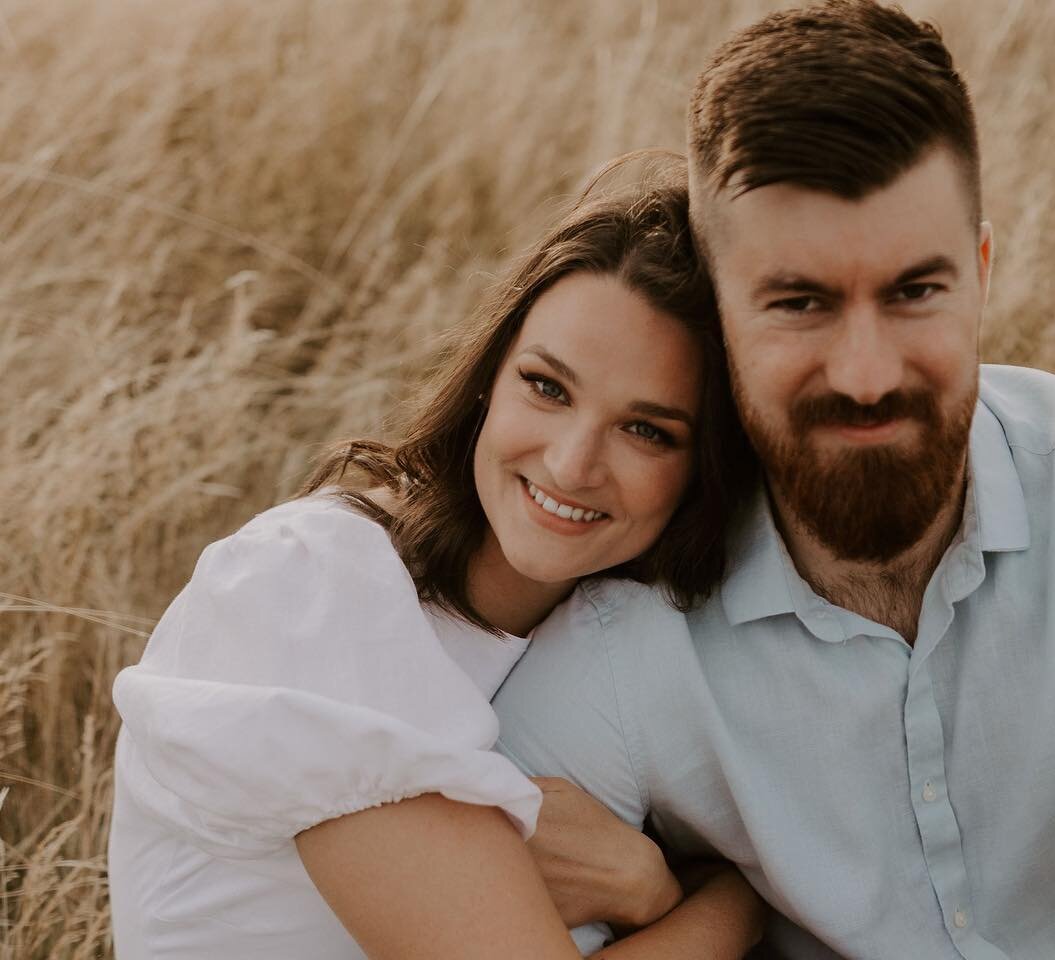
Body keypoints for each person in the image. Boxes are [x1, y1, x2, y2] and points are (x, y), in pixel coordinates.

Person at [492, 2, 1055, 958]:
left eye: (915, 291)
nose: (867, 373)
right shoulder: (623, 642)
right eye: (801, 303)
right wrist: (701, 906)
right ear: (717, 314)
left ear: (982, 271)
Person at [107, 168, 766, 959]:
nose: (570, 462)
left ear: (706, 469)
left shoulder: (621, 644)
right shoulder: (314, 585)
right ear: (490, 378)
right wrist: (726, 900)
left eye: (647, 431)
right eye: (547, 387)